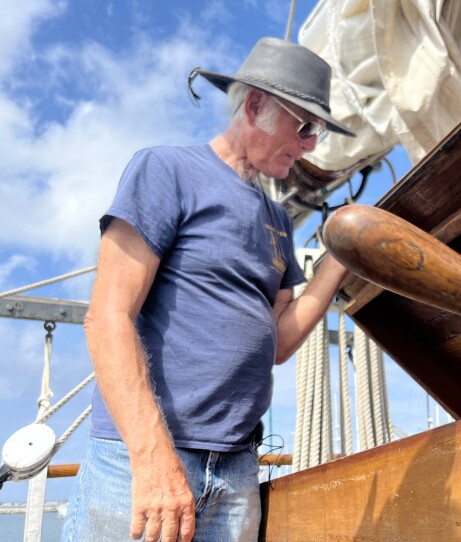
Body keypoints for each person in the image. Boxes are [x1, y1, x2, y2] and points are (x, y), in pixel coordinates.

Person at [61, 37, 355, 542]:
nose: (312, 144)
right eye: (306, 126)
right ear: (256, 105)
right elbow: (107, 316)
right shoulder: (166, 170)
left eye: (319, 131)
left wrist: (342, 258)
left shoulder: (279, 221)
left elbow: (279, 342)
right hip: (142, 460)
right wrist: (153, 459)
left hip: (236, 470)